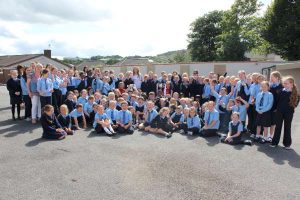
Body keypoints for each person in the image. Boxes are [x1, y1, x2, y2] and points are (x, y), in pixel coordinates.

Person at [271, 76, 299, 150]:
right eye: (284, 83)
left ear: (291, 84)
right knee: (278, 127)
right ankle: (274, 142)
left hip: (289, 113)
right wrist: (275, 109)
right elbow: (276, 102)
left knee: (287, 128)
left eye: (286, 83)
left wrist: (288, 108)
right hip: (279, 113)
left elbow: (295, 105)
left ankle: (287, 144)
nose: (285, 85)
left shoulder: (296, 93)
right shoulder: (280, 91)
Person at [269, 71, 283, 141]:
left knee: (273, 123)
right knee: (270, 121)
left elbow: (281, 99)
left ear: (277, 78)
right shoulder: (271, 86)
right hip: (270, 107)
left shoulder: (281, 86)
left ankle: (271, 136)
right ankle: (268, 135)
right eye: (270, 77)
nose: (271, 78)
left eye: (272, 77)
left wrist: (277, 108)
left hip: (276, 108)